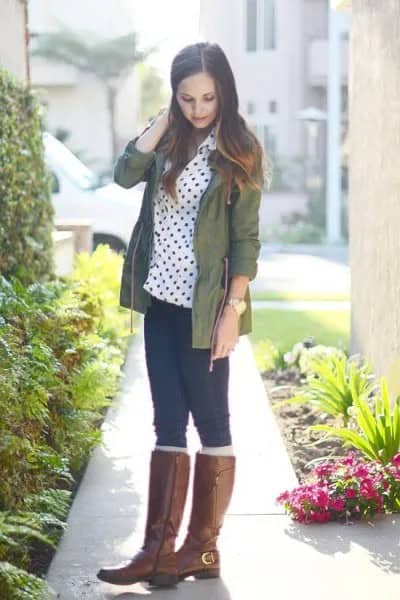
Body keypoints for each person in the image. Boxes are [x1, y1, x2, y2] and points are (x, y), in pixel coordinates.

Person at [96, 41, 269, 588]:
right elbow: (124, 175)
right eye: (187, 98)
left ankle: (203, 549)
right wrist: (162, 120)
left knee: (212, 421)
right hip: (160, 305)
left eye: (208, 97)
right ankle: (157, 551)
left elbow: (245, 241)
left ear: (225, 93)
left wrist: (232, 312)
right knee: (166, 421)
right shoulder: (167, 136)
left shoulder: (240, 148)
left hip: (206, 311)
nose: (198, 108)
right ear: (175, 97)